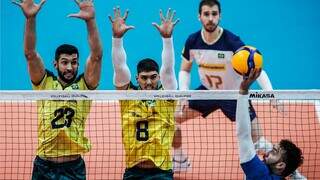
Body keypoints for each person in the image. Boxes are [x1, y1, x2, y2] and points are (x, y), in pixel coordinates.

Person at [172, 1, 305, 179]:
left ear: (220, 15)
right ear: (199, 16)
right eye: (206, 14)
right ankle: (180, 159)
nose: (210, 18)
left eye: (214, 14)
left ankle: (292, 170)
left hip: (235, 95)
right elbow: (184, 69)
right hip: (207, 92)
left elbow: (257, 68)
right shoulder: (192, 41)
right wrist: (184, 94)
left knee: (258, 141)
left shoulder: (232, 42)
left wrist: (271, 93)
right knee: (172, 118)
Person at [13, 0, 102, 179]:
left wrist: (90, 21)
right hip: (44, 165)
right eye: (65, 62)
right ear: (55, 64)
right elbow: (30, 54)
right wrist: (30, 19)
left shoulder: (85, 86)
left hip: (73, 167)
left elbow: (97, 56)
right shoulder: (43, 82)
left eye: (74, 62)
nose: (70, 67)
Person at [109, 7, 179, 180]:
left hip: (162, 172)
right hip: (134, 172)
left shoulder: (167, 97)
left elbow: (168, 69)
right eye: (144, 78)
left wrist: (167, 39)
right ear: (137, 78)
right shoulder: (128, 96)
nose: (149, 82)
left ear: (159, 77)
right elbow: (119, 67)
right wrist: (116, 39)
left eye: (154, 77)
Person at [236, 68, 304, 179]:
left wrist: (243, 91)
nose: (267, 152)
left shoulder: (259, 173)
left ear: (281, 165)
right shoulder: (277, 173)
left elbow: (243, 135)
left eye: (274, 151)